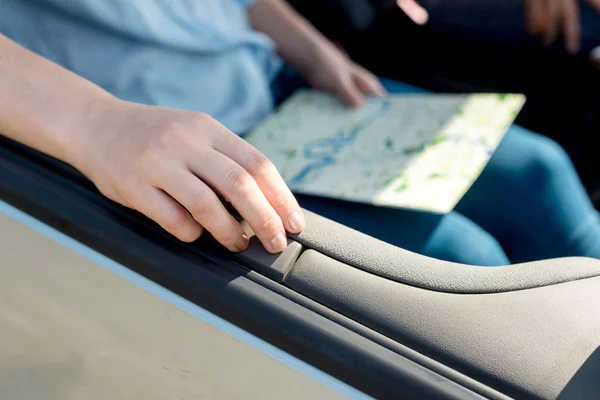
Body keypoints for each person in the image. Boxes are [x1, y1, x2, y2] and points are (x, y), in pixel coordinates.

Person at [1, 0, 599, 265]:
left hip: (280, 85)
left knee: (539, 170)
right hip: (190, 157)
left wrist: (311, 51)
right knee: (462, 258)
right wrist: (95, 123)